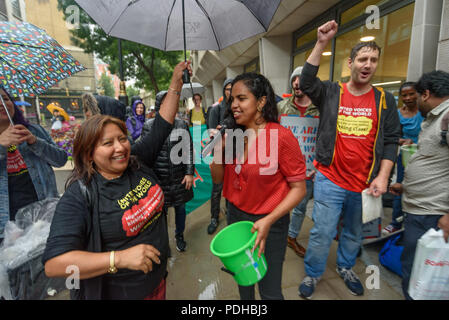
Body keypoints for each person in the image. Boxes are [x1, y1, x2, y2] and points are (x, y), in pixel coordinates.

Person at [42, 61, 191, 300]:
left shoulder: (137, 161)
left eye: (122, 139)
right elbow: (54, 264)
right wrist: (118, 259)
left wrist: (175, 82)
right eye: (107, 143)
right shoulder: (79, 196)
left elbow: (162, 126)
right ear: (89, 153)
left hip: (158, 283)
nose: (120, 148)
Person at [297, 20, 401, 299]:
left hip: (367, 184)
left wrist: (382, 177)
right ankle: (313, 273)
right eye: (363, 59)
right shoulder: (332, 92)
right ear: (351, 62)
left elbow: (391, 140)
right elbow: (306, 82)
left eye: (374, 60)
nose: (368, 64)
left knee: (356, 233)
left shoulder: (385, 100)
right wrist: (320, 42)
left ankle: (345, 267)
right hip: (330, 178)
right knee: (322, 232)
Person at [210, 73, 307, 300]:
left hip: (270, 224)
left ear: (261, 101)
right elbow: (217, 179)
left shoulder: (282, 137)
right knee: (244, 282)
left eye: (241, 98)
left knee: (269, 290)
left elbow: (299, 189)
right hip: (236, 219)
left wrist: (269, 220)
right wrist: (217, 150)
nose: (234, 104)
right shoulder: (233, 135)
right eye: (232, 99)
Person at [388, 70, 449, 300]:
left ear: (425, 94)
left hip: (433, 213)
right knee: (414, 269)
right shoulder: (435, 118)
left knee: (420, 273)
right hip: (419, 209)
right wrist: (405, 186)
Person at [0, 86, 68, 240]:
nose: (2, 103)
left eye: (5, 98)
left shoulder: (34, 131)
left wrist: (35, 142)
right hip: (7, 228)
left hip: (44, 218)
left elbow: (60, 160)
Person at [139, 90, 194, 252]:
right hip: (158, 179)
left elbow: (188, 150)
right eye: (165, 102)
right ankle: (163, 243)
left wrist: (189, 172)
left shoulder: (181, 124)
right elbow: (144, 154)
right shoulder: (149, 126)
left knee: (181, 209)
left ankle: (179, 236)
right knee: (160, 214)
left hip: (179, 177)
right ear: (158, 106)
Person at [277, 66, 319, 258]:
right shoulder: (281, 107)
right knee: (279, 202)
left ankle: (291, 237)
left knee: (300, 206)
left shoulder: (320, 108)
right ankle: (277, 232)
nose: (297, 83)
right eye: (294, 79)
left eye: (301, 79)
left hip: (308, 170)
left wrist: (319, 163)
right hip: (283, 169)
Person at [382, 82, 423, 235]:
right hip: (405, 157)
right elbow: (393, 136)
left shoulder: (424, 112)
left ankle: (416, 222)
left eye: (411, 94)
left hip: (424, 157)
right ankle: (396, 222)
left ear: (419, 94)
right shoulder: (398, 114)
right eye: (404, 95)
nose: (408, 98)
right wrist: (403, 141)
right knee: (399, 188)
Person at [206, 79, 233, 235]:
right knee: (217, 188)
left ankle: (230, 213)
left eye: (232, 88)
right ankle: (214, 217)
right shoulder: (216, 109)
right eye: (227, 88)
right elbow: (211, 133)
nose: (230, 91)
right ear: (224, 90)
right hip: (218, 153)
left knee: (231, 186)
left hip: (233, 153)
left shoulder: (237, 108)